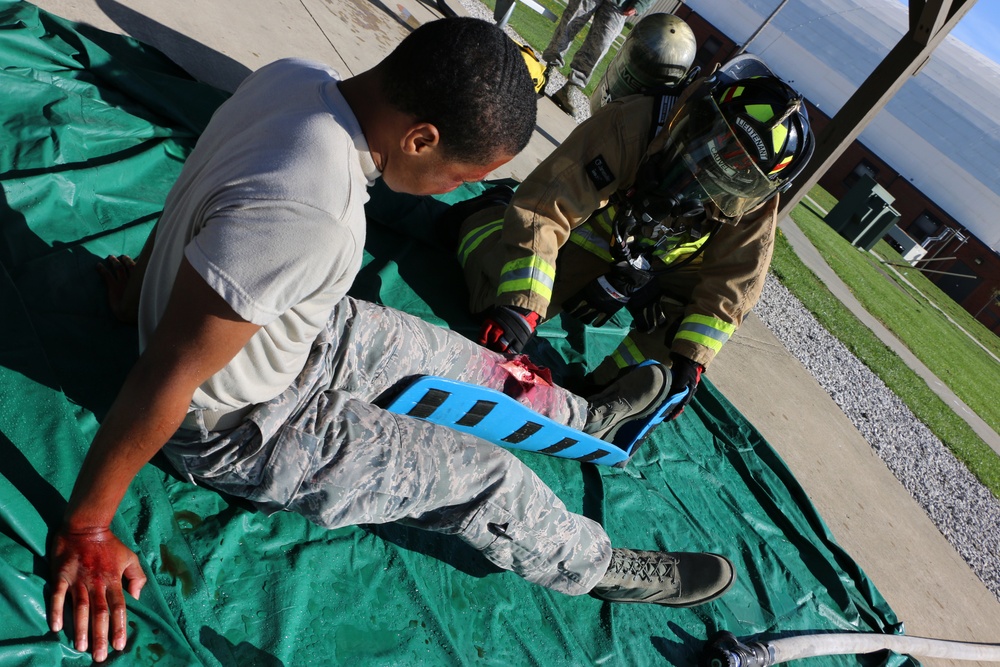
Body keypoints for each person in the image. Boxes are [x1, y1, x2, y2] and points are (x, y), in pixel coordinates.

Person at [46, 17, 735, 663]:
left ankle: (584, 417)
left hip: (293, 331)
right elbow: (170, 373)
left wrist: (143, 293)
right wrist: (90, 527)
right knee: (485, 480)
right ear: (422, 138)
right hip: (243, 424)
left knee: (465, 362)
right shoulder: (317, 211)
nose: (453, 191)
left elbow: (204, 194)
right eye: (461, 177)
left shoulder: (295, 78)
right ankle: (592, 562)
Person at [446, 54, 814, 420]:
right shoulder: (633, 123)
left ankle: (605, 389)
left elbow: (733, 287)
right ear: (696, 114)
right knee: (494, 299)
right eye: (710, 144)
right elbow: (547, 208)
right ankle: (485, 215)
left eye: (731, 174)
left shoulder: (754, 195)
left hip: (650, 274)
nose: (703, 174)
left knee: (687, 333)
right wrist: (521, 305)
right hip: (581, 241)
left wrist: (691, 361)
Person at [544, 0, 656, 116]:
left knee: (600, 45)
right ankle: (547, 71)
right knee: (569, 23)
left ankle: (568, 89)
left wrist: (641, 4)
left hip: (620, 5)